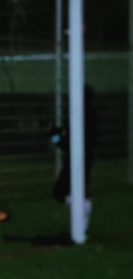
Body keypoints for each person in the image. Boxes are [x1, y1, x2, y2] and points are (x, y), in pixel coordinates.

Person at [51, 84, 97, 232]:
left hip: (75, 159)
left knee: (59, 192)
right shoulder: (90, 116)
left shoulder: (79, 117)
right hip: (86, 158)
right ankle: (83, 213)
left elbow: (67, 143)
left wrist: (54, 137)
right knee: (80, 190)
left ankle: (83, 209)